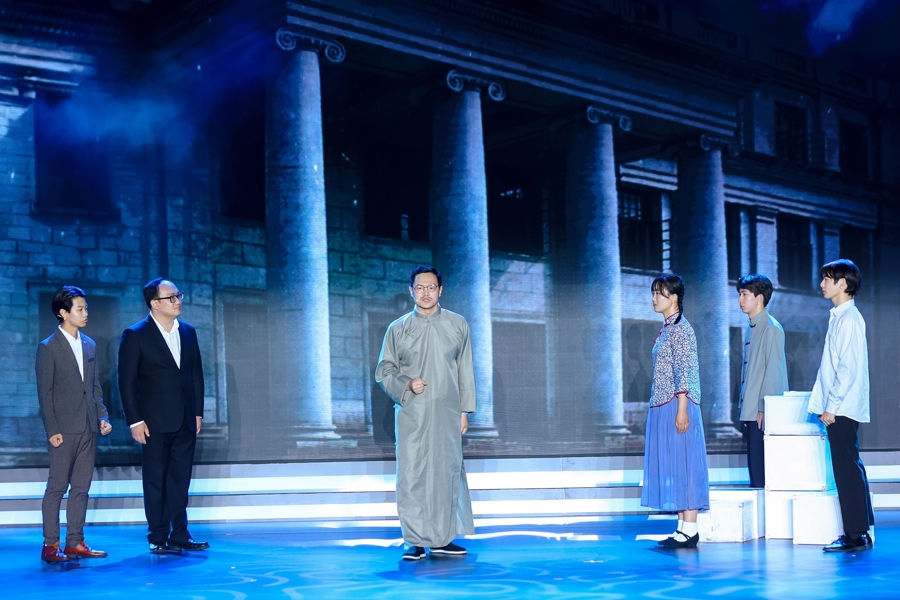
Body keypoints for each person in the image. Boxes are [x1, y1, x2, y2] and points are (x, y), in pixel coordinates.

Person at [376, 265, 475, 561]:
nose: (426, 293)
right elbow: (384, 370)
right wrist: (406, 383)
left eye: (432, 287)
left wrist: (464, 410)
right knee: (412, 473)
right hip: (412, 412)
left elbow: (465, 369)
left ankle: (442, 539)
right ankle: (415, 540)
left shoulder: (457, 324)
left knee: (446, 473)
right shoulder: (398, 328)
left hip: (447, 411)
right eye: (420, 287)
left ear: (440, 290)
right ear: (411, 291)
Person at [119, 278, 209, 555]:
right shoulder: (136, 334)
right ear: (154, 304)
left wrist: (197, 411)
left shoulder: (188, 331)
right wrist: (135, 420)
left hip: (185, 418)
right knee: (156, 480)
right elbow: (126, 382)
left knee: (180, 479)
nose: (177, 301)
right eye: (170, 297)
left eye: (178, 295)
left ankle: (180, 534)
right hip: (153, 421)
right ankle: (158, 536)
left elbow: (195, 374)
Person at [36, 286, 113, 563]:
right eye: (80, 309)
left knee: (81, 487)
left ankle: (75, 542)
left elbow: (94, 387)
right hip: (63, 429)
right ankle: (50, 544)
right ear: (63, 312)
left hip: (88, 426)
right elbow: (45, 393)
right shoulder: (48, 347)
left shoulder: (89, 344)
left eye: (86, 308)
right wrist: (52, 429)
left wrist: (102, 417)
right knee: (57, 487)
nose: (85, 313)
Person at [808, 259, 875, 552]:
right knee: (850, 466)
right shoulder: (842, 317)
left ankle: (855, 534)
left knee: (846, 469)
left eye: (827, 279)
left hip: (842, 408)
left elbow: (847, 369)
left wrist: (831, 407)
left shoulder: (848, 319)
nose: (822, 284)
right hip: (842, 406)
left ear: (843, 283)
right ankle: (861, 530)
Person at [642, 274, 709, 548]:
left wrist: (682, 409)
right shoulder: (669, 328)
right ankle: (683, 526)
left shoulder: (681, 328)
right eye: (653, 293)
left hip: (677, 404)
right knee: (676, 465)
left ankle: (690, 528)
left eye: (660, 293)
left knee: (686, 464)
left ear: (675, 297)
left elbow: (685, 371)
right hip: (665, 402)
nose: (654, 298)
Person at [736, 274, 789, 488]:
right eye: (740, 294)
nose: (740, 299)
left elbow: (774, 372)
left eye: (744, 294)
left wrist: (764, 407)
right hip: (753, 409)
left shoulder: (771, 327)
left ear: (759, 298)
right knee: (755, 469)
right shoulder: (754, 327)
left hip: (763, 411)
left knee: (762, 472)